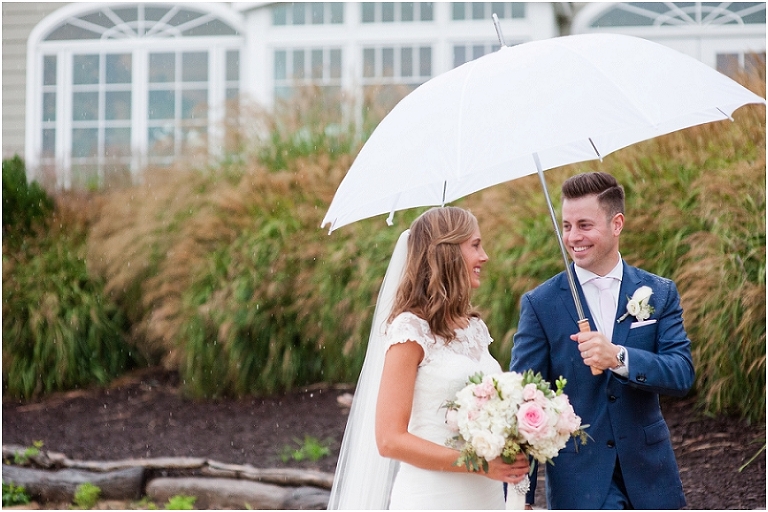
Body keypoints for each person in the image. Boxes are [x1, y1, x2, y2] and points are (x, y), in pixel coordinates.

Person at [510, 172, 695, 509]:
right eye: (566, 226)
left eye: (584, 225)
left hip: (651, 477)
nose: (573, 237)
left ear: (617, 224)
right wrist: (519, 496)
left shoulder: (658, 292)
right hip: (580, 486)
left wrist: (620, 358)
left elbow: (681, 373)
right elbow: (525, 401)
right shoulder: (540, 304)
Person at [329, 206, 529, 510]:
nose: (484, 256)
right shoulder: (410, 331)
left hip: (485, 497)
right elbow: (389, 440)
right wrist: (479, 464)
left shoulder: (474, 327)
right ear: (447, 253)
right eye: (475, 245)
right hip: (433, 496)